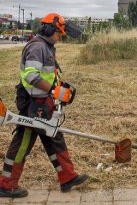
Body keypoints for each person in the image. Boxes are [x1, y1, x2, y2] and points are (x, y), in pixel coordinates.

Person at [0, 13, 87, 198]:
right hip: (32, 105)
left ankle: (67, 177)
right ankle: (7, 184)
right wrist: (54, 91)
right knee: (23, 142)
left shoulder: (47, 47)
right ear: (48, 29)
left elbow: (46, 74)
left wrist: (58, 87)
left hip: (43, 103)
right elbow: (31, 76)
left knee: (54, 136)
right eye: (58, 32)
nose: (60, 36)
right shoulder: (38, 47)